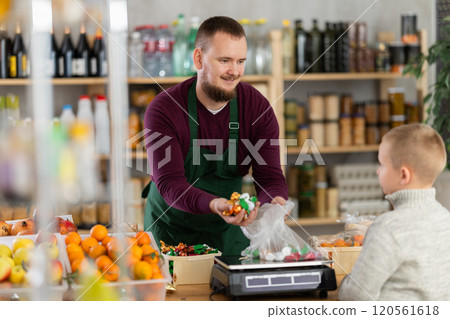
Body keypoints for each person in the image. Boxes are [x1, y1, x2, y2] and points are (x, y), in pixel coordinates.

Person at [142, 16, 288, 255]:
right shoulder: (164, 109)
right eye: (225, 60)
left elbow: (269, 175)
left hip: (227, 231)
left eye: (241, 61)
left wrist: (276, 203)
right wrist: (215, 204)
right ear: (199, 58)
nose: (235, 71)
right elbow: (170, 183)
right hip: (170, 232)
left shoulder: (257, 108)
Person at [338, 123, 450, 300]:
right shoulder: (446, 219)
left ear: (404, 175)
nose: (377, 170)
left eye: (382, 165)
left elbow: (354, 296)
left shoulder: (387, 228)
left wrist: (346, 280)